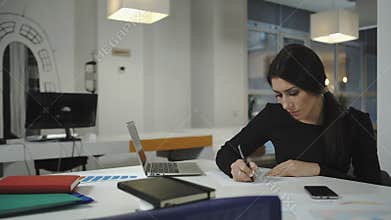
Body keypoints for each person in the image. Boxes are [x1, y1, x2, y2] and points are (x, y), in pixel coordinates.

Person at [216, 44, 381, 184]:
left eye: (293, 93)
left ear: (317, 86)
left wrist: (317, 170)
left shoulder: (354, 122)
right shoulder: (274, 115)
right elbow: (226, 152)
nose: (286, 105)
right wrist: (235, 165)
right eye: (279, 95)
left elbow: (373, 185)